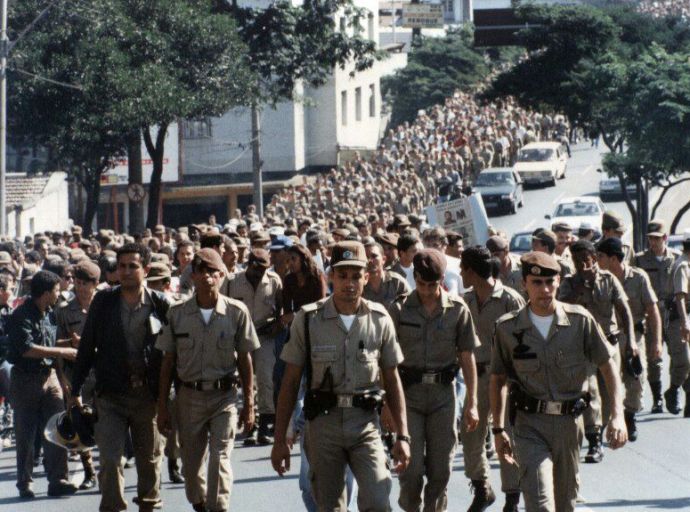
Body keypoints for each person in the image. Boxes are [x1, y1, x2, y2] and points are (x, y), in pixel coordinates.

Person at [272, 241, 411, 511]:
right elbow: (289, 383)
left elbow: (392, 380)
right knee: (330, 506)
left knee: (378, 500)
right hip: (323, 427)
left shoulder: (379, 319)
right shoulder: (308, 320)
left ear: (366, 277)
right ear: (330, 276)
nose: (349, 283)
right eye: (343, 275)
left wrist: (403, 437)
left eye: (356, 276)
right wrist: (280, 440)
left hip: (365, 425)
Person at [490, 252, 627, 512]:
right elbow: (497, 378)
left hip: (568, 424)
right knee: (540, 503)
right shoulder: (507, 329)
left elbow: (607, 365)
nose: (545, 289)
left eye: (550, 282)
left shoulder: (580, 321)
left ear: (559, 281)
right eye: (537, 283)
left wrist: (617, 415)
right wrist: (498, 429)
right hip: (529, 425)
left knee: (565, 504)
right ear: (524, 284)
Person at [70, 243, 172, 512]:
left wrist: (171, 395)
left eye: (132, 266)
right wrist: (75, 389)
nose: (125, 272)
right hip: (110, 395)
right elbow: (87, 346)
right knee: (111, 460)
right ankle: (113, 507)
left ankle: (149, 505)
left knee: (149, 461)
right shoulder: (103, 302)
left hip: (147, 397)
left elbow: (175, 352)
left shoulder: (161, 304)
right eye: (121, 266)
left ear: (146, 270)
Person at [157, 249, 259, 512]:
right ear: (193, 276)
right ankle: (200, 504)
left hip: (224, 397)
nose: (207, 278)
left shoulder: (237, 312)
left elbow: (245, 360)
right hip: (188, 398)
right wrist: (162, 406)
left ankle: (218, 507)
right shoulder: (177, 313)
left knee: (220, 456)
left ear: (222, 275)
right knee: (192, 466)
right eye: (201, 272)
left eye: (213, 272)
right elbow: (167, 362)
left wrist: (249, 403)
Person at [388, 248, 480, 512]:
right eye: (421, 283)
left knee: (441, 469)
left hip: (443, 396)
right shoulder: (400, 309)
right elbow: (387, 362)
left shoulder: (457, 310)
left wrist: (471, 402)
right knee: (411, 469)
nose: (427, 290)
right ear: (414, 278)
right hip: (409, 397)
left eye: (432, 284)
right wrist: (386, 404)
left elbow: (467, 357)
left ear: (441, 280)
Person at [460, 247, 525, 512]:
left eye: (463, 269)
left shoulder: (510, 300)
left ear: (472, 271)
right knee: (470, 434)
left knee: (505, 435)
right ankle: (481, 487)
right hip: (476, 376)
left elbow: (524, 341)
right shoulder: (464, 301)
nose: (460, 274)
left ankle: (512, 495)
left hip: (506, 379)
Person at [558, 239, 635, 463]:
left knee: (610, 393)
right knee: (590, 392)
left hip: (609, 344)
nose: (581, 263)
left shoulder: (609, 280)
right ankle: (594, 442)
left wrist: (630, 342)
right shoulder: (570, 283)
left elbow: (625, 311)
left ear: (593, 257)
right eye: (576, 259)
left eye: (585, 258)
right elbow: (561, 307)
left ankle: (601, 430)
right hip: (583, 346)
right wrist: (580, 289)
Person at [7, 270, 78, 499]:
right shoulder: (21, 316)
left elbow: (47, 341)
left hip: (50, 377)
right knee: (25, 433)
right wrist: (62, 350)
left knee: (58, 427)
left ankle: (58, 479)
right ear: (46, 292)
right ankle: (25, 483)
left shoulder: (50, 313)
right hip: (25, 379)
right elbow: (27, 349)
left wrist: (67, 345)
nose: (60, 294)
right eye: (57, 290)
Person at [596, 237, 662, 440]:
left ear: (613, 259)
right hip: (609, 340)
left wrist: (656, 342)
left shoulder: (638, 277)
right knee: (606, 384)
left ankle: (630, 416)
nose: (597, 260)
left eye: (601, 257)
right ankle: (604, 424)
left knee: (636, 382)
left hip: (635, 337)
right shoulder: (600, 281)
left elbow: (653, 310)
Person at [224, 248, 283, 445]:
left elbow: (281, 310)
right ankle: (250, 421)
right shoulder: (232, 282)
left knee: (266, 377)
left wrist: (277, 325)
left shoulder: (273, 281)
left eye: (265, 270)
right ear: (249, 265)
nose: (261, 274)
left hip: (263, 334)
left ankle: (266, 421)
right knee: (243, 380)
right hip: (239, 336)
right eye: (258, 270)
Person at [55, 260, 101, 490]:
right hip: (76, 374)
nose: (81, 288)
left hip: (102, 372)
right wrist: (64, 382)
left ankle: (110, 469)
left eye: (86, 284)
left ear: (96, 284)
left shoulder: (104, 307)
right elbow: (57, 346)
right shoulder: (64, 311)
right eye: (78, 283)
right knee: (80, 422)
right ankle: (89, 471)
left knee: (104, 421)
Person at [633, 219, 679, 413]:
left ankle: (675, 392)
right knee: (654, 358)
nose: (653, 242)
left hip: (673, 314)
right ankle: (658, 399)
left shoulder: (677, 258)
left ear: (665, 238)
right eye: (650, 238)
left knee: (680, 358)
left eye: (657, 238)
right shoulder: (640, 260)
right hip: (652, 316)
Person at [666, 229, 690, 415]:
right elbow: (680, 297)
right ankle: (673, 390)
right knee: (683, 361)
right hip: (680, 318)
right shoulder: (682, 265)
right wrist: (684, 323)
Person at [363, 242, 410, 307]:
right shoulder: (360, 284)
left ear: (383, 259)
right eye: (366, 257)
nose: (370, 260)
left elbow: (413, 306)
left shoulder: (397, 282)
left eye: (374, 256)